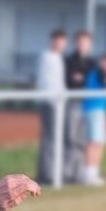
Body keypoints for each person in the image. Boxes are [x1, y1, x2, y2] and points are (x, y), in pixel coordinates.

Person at [82, 52, 106, 185]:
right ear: (102, 62)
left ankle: (93, 173)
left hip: (99, 110)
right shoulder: (98, 72)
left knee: (99, 143)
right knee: (93, 143)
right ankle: (89, 174)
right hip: (93, 110)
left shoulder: (102, 73)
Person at [35, 29, 67, 185]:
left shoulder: (58, 58)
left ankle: (52, 171)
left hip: (58, 103)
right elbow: (49, 82)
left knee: (55, 138)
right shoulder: (47, 57)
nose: (59, 44)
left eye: (61, 41)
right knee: (50, 138)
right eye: (57, 40)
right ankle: (47, 173)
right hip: (50, 102)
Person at [64, 30, 96, 184]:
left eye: (85, 42)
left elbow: (91, 80)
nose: (82, 45)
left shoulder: (92, 62)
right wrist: (80, 79)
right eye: (80, 41)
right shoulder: (69, 60)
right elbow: (71, 81)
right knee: (71, 138)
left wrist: (82, 79)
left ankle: (79, 172)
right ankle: (68, 172)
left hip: (88, 104)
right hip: (73, 102)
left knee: (84, 139)